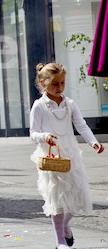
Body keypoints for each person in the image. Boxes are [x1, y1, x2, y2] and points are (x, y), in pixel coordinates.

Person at [30, 63, 104, 249]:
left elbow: (81, 125)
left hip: (71, 155)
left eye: (62, 83)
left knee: (78, 197)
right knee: (57, 200)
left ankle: (64, 226)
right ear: (43, 83)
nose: (60, 87)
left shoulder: (69, 104)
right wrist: (45, 137)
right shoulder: (39, 106)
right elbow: (33, 133)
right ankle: (60, 241)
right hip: (52, 158)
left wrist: (92, 141)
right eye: (55, 84)